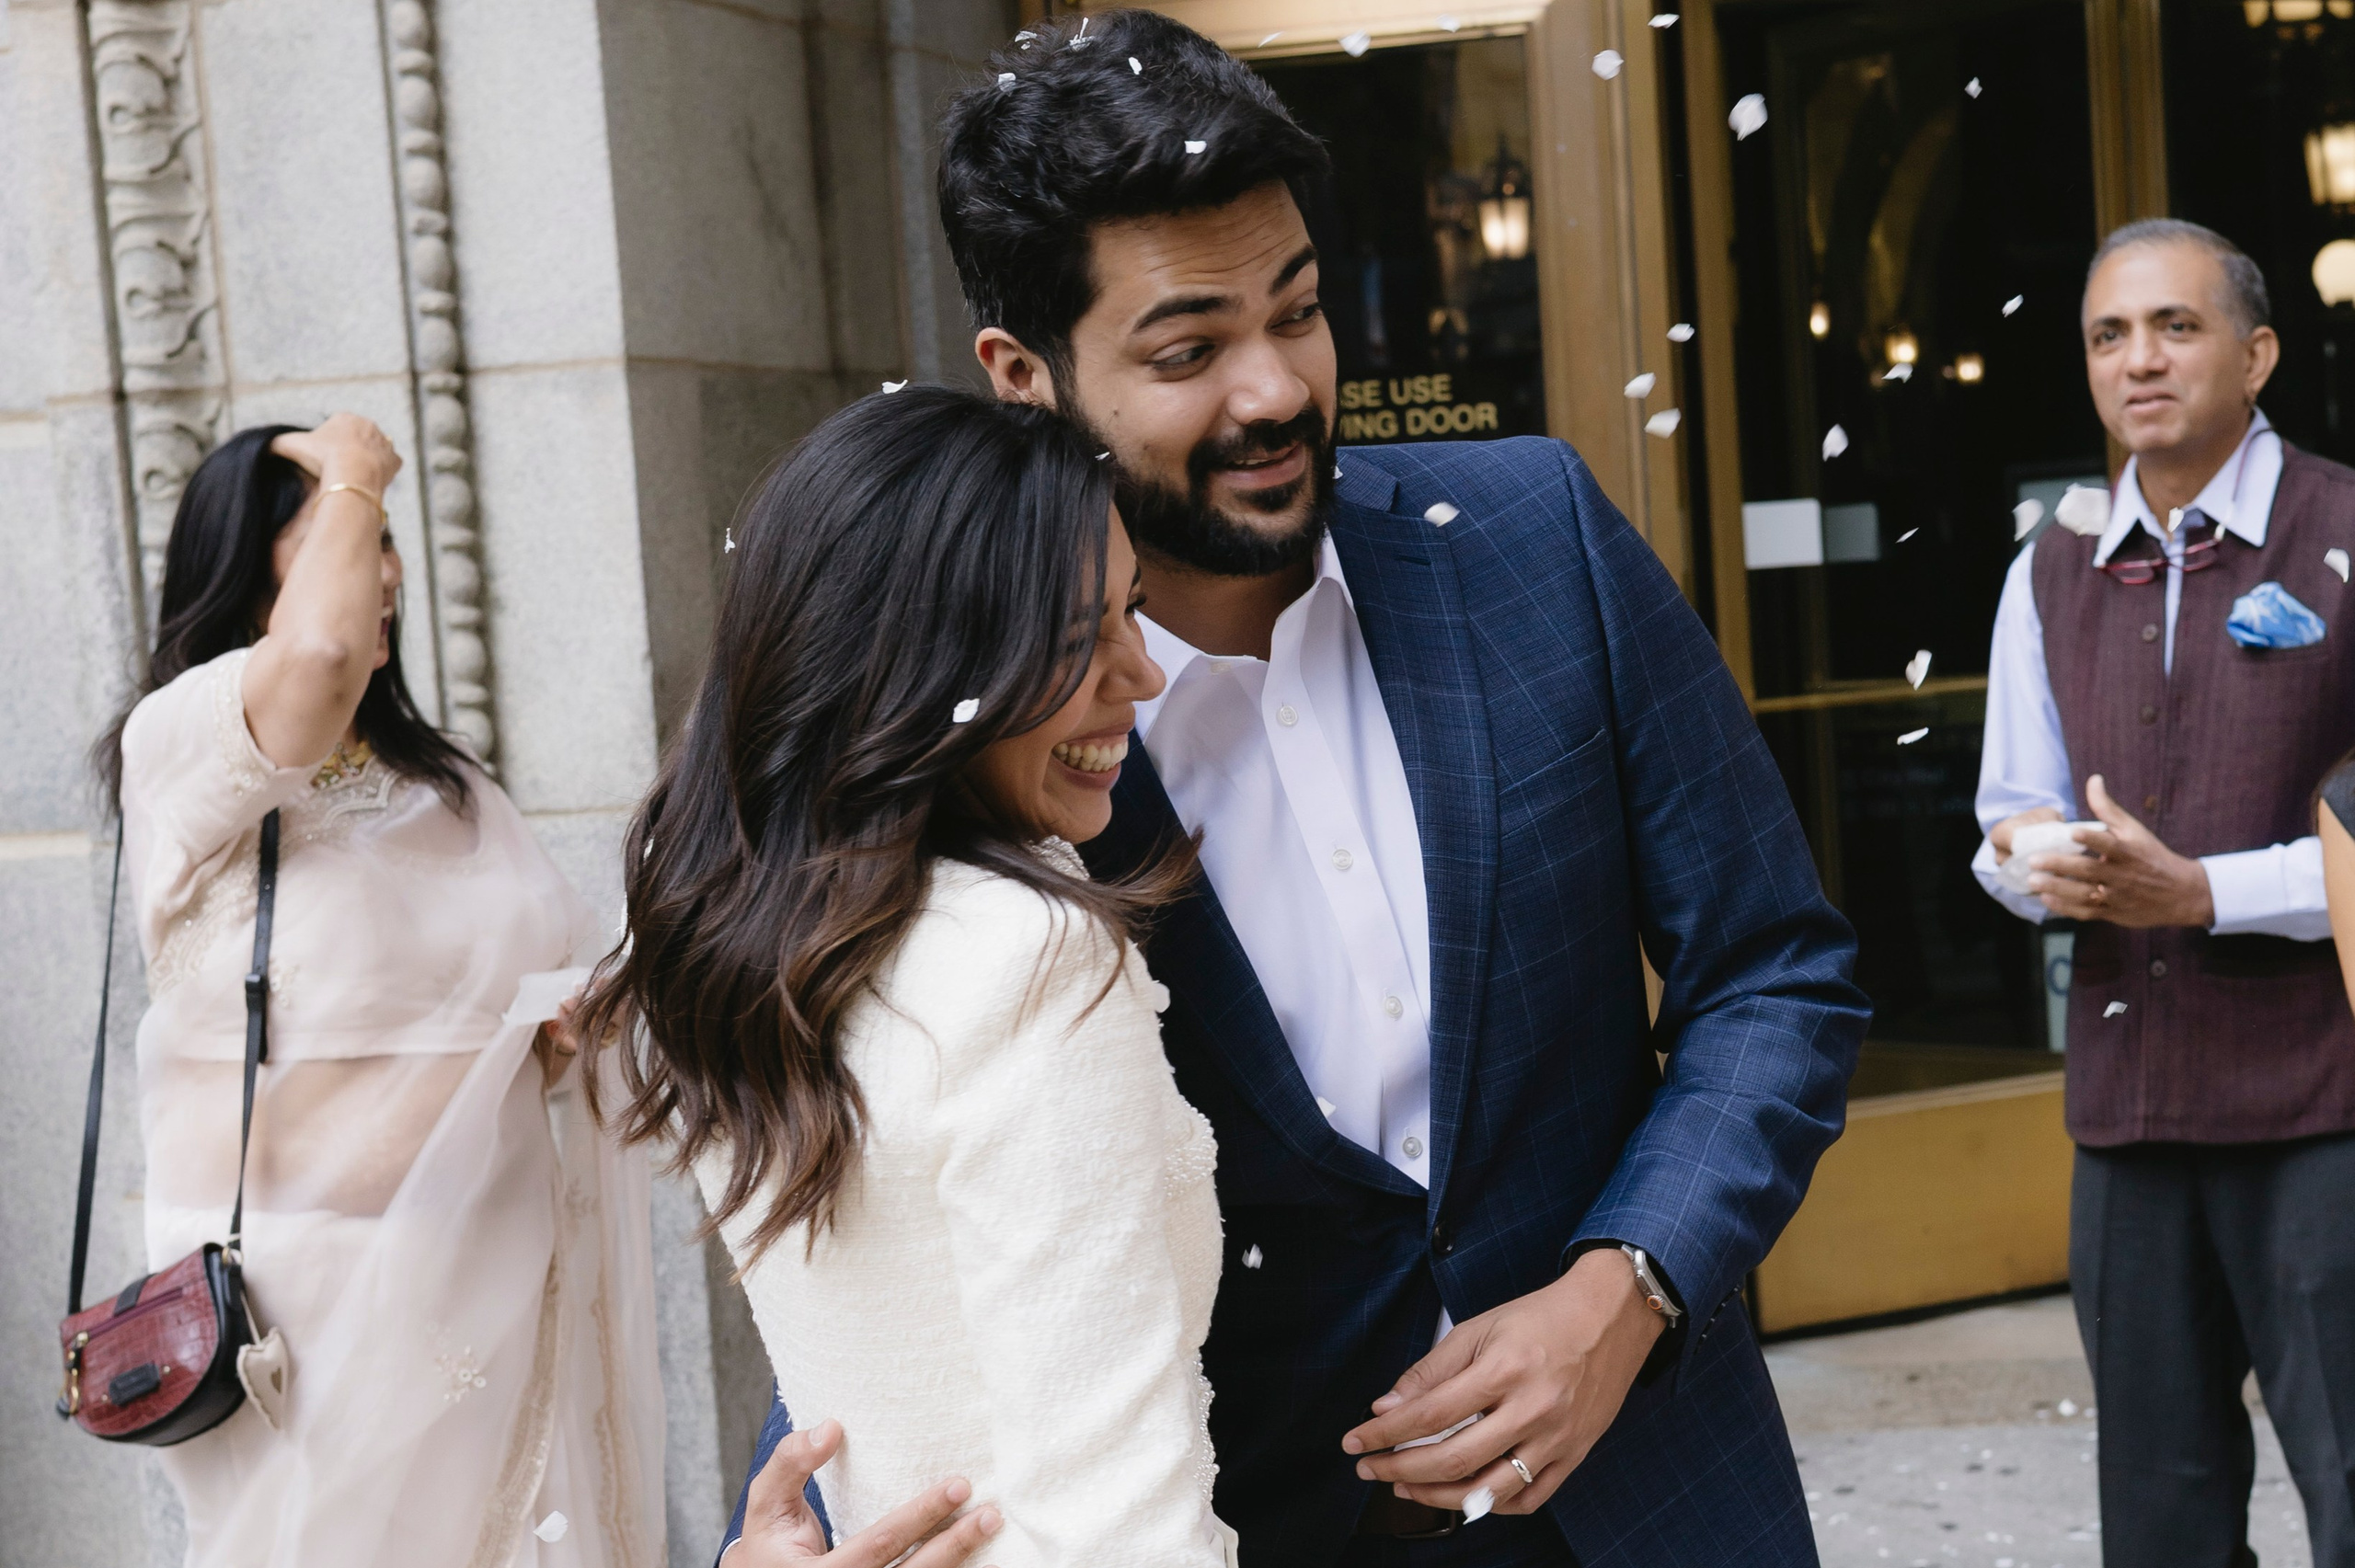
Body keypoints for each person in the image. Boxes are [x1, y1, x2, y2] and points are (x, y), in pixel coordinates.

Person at [730, 13, 1870, 1565]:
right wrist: (789, 1526)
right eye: (1189, 350)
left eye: (1303, 313)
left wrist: (1629, 1286)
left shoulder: (1538, 540)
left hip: (1658, 1500)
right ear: (1024, 375)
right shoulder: (971, 724)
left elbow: (1776, 973)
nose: (1275, 390)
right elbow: (861, 1165)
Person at [579, 386, 1219, 1567]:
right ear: (927, 663)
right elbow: (1123, 1522)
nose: (1143, 673)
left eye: (1131, 611)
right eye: (1080, 635)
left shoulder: (724, 936)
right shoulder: (1025, 957)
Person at [101, 416, 665, 1567]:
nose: (383, 572)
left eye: (384, 540)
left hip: (492, 1269)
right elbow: (310, 664)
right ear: (249, 577)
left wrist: (564, 1031)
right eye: (341, 542)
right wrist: (357, 461)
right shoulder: (184, 753)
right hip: (302, 1315)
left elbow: (524, 1009)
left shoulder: (444, 782)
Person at [1976, 219, 2355, 1567]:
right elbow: (2001, 816)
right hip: (2128, 1121)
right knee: (2160, 1518)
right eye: (2108, 335)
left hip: (2326, 1105)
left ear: (2255, 355)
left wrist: (2202, 892)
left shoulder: (2346, 530)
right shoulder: (2049, 568)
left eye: (2175, 327)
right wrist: (2040, 863)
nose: (2139, 359)